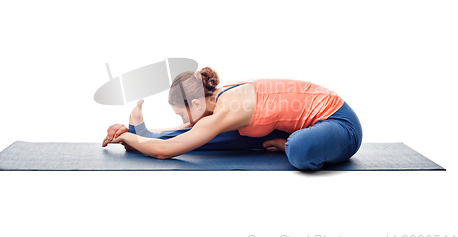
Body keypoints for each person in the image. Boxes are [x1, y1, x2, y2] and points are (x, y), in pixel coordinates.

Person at [102, 67, 362, 170]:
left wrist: (126, 136)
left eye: (183, 114)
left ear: (195, 103)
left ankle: (289, 143)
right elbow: (188, 133)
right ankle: (143, 134)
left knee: (299, 149)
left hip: (340, 124)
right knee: (205, 136)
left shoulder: (228, 110)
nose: (185, 121)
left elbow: (165, 152)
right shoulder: (217, 98)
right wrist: (140, 136)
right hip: (298, 124)